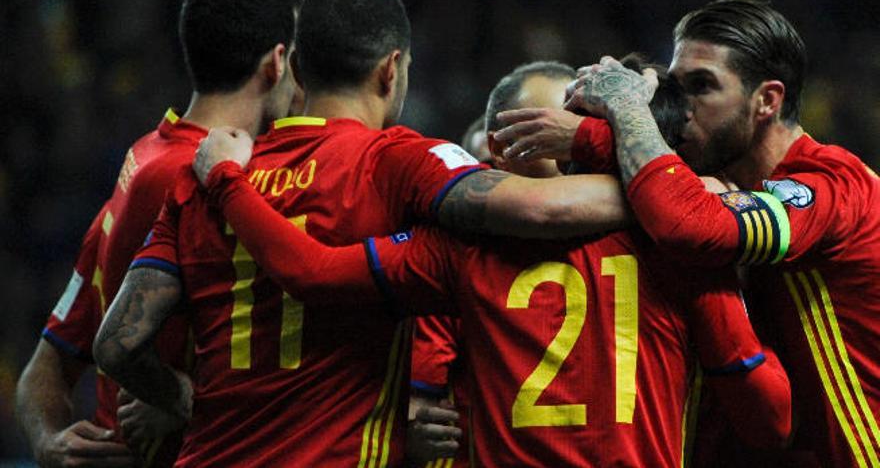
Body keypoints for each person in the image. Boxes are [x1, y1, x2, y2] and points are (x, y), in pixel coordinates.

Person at [91, 0, 653, 465]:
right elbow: (541, 207)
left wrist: (184, 397)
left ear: (297, 70)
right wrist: (668, 190)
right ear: (391, 71)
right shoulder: (397, 162)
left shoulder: (203, 175)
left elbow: (117, 343)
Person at [167, 84, 792, 465]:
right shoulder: (676, 246)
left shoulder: (457, 246)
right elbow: (770, 419)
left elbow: (313, 271)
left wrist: (229, 181)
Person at [565, 0, 880, 468]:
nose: (684, 109)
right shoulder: (730, 188)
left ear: (767, 101)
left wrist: (604, 129)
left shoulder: (832, 184)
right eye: (677, 87)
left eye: (703, 87)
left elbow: (687, 225)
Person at [15, 0, 300, 466]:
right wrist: (180, 398)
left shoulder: (146, 158)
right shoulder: (198, 178)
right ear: (276, 63)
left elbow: (46, 364)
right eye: (299, 56)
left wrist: (47, 440)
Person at [407, 60, 578, 467]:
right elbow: (421, 403)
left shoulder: (634, 235)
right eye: (548, 133)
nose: (572, 149)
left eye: (580, 131)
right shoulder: (453, 251)